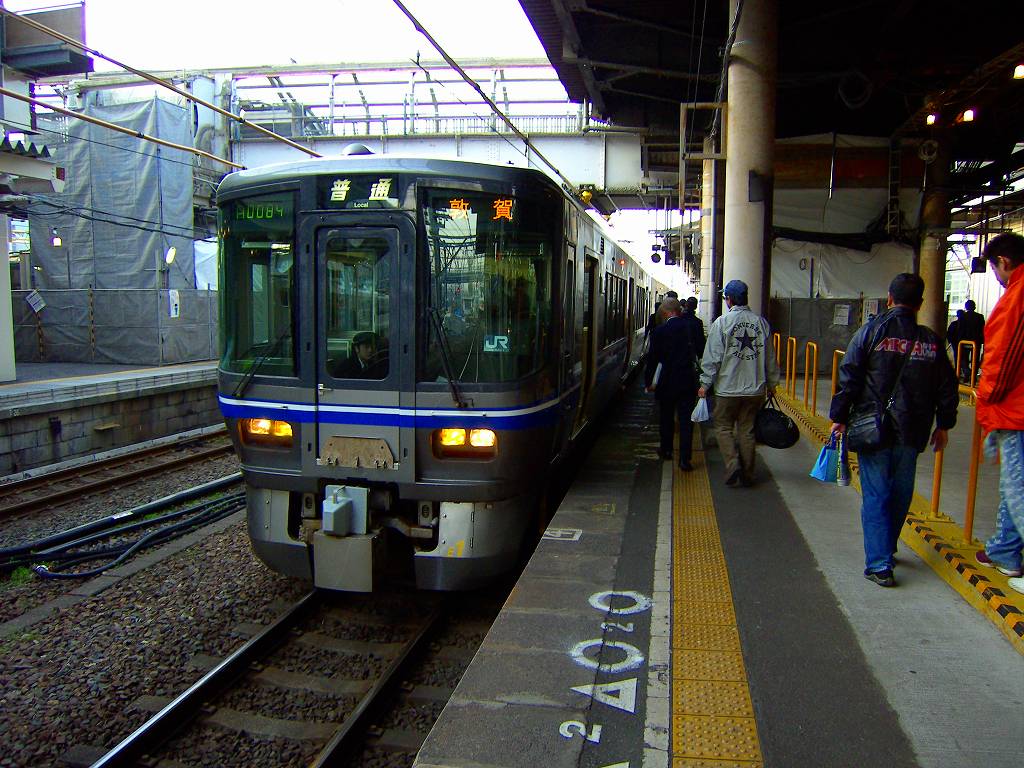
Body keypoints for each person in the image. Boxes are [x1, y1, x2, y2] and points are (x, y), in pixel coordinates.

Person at [829, 273, 959, 587]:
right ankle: (887, 547)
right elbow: (947, 387)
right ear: (920, 304)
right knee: (901, 493)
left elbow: (850, 376)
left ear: (889, 298)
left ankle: (879, 564)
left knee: (876, 494)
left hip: (874, 428)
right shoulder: (931, 341)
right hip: (913, 430)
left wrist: (839, 416)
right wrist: (944, 424)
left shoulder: (871, 332)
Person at [973, 233, 1024, 591]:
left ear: (1003, 262)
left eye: (994, 269)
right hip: (1016, 410)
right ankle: (1004, 549)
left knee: (1018, 488)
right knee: (1014, 484)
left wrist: (986, 399)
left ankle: (1007, 551)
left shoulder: (1017, 297)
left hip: (1015, 411)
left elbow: (1002, 357)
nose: (996, 276)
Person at [697, 279, 779, 487]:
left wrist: (705, 384)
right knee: (747, 429)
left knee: (723, 427)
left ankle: (733, 463)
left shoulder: (722, 323)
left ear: (729, 300)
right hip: (755, 390)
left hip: (727, 389)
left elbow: (713, 358)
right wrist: (772, 384)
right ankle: (749, 474)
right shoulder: (761, 323)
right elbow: (770, 358)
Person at [645, 298, 705, 470]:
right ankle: (685, 460)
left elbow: (652, 359)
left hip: (666, 381)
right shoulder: (693, 326)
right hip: (687, 380)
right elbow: (701, 349)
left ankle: (666, 450)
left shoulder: (660, 331)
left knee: (666, 417)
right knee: (686, 421)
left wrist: (649, 382)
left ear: (667, 312)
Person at [958, 299, 986, 384]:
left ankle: (967, 374)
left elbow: (960, 329)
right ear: (974, 307)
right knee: (975, 360)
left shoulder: (963, 316)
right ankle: (973, 377)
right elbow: (983, 330)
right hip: (976, 341)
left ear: (966, 307)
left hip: (964, 341)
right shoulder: (980, 317)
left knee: (964, 359)